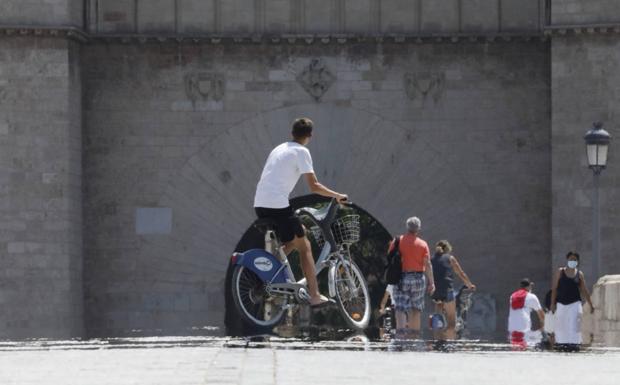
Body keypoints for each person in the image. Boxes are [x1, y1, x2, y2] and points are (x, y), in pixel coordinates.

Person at [254, 117, 348, 306]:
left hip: (260, 204)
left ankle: (268, 269)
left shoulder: (278, 148)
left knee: (297, 235)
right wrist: (337, 195)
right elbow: (314, 186)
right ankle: (314, 296)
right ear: (310, 136)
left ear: (292, 133)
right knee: (305, 247)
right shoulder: (301, 151)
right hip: (277, 205)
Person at [388, 217, 434, 337]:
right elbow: (427, 264)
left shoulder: (397, 241)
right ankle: (414, 336)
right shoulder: (423, 244)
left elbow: (390, 257)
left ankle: (401, 334)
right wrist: (432, 282)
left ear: (407, 227)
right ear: (418, 228)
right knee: (416, 309)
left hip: (401, 277)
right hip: (419, 278)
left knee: (400, 307)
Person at [431, 240, 476, 340]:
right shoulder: (450, 258)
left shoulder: (432, 259)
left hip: (436, 292)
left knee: (438, 319)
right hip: (447, 291)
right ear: (447, 249)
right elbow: (461, 273)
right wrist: (469, 285)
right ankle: (449, 344)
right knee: (452, 321)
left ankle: (438, 342)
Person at [550, 251, 594, 349]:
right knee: (561, 324)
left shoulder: (579, 274)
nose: (572, 261)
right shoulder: (560, 272)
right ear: (567, 259)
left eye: (574, 259)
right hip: (561, 303)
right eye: (571, 259)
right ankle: (561, 344)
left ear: (577, 261)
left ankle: (574, 344)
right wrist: (552, 304)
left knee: (574, 324)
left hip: (575, 303)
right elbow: (554, 289)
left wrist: (591, 304)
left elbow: (584, 290)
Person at [508, 278, 545, 348]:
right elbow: (541, 314)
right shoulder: (532, 297)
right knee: (538, 340)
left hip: (512, 329)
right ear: (529, 286)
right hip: (525, 330)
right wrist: (544, 327)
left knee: (516, 349)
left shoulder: (512, 296)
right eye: (531, 286)